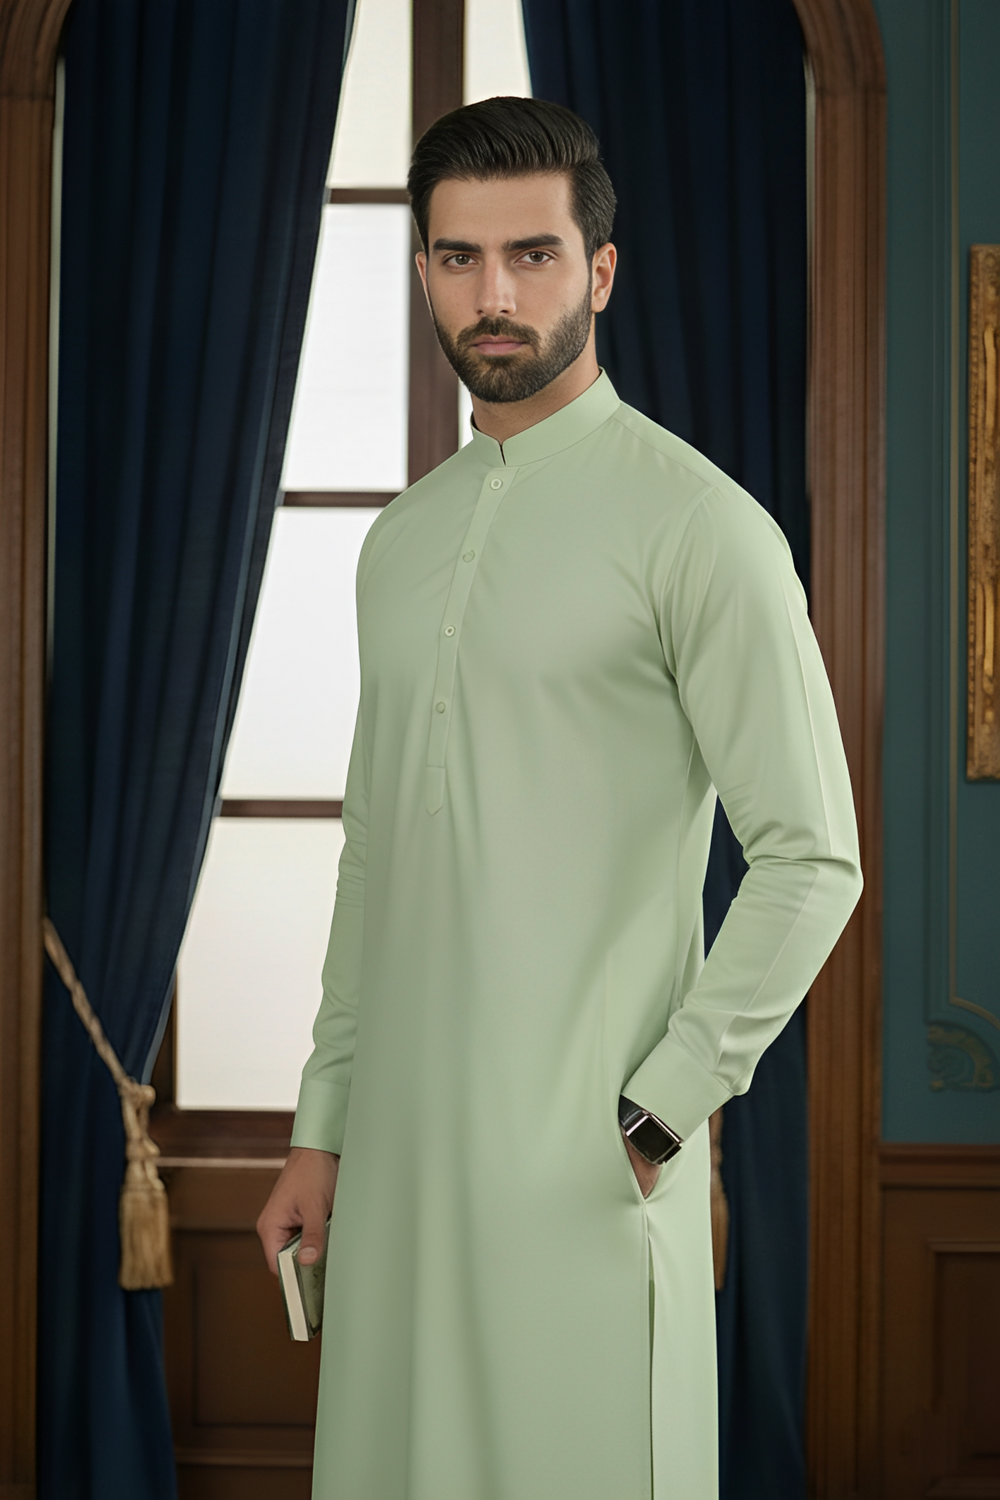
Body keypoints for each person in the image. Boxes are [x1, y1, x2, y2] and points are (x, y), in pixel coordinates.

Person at [257, 96, 862, 1500]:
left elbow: (811, 858)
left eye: (532, 255)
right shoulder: (399, 545)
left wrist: (663, 1110)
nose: (496, 294)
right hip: (399, 1175)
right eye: (459, 258)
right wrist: (321, 1128)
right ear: (423, 272)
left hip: (588, 1174)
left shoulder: (702, 528)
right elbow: (375, 862)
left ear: (600, 269)